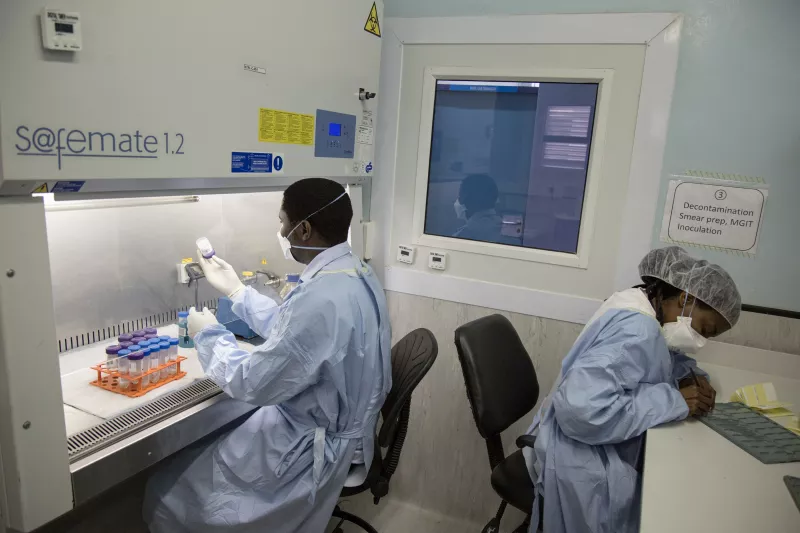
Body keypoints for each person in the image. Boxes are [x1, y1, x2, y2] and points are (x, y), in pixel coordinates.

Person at [143, 178, 392, 533]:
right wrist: (237, 290)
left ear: (304, 229)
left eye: (282, 221)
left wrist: (208, 335)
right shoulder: (353, 273)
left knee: (171, 489)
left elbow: (251, 382)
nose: (281, 230)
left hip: (307, 451)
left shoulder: (323, 296)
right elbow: (298, 333)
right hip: (333, 432)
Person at [523, 246, 741, 533]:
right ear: (687, 299)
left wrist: (688, 375)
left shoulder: (640, 303)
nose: (701, 340)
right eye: (705, 329)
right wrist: (675, 401)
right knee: (657, 507)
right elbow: (580, 412)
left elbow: (653, 361)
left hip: (569, 430)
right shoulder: (637, 329)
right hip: (575, 451)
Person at [453, 173, 520, 245]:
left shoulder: (464, 236)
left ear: (466, 199)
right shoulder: (508, 232)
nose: (458, 200)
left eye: (460, 196)